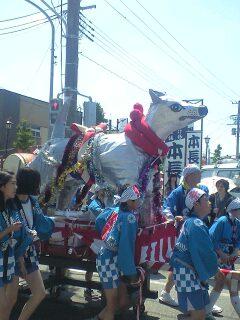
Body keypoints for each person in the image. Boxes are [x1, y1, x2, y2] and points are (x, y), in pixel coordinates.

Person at [160, 164, 209, 307]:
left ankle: (200, 299)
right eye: (197, 174)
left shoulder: (201, 190)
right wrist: (172, 218)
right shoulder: (177, 192)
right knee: (184, 264)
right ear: (188, 176)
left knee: (186, 265)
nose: (200, 177)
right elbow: (166, 207)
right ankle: (200, 302)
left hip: (195, 232)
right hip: (182, 234)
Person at [170, 188, 221, 320]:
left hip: (185, 271)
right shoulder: (196, 224)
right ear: (196, 204)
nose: (210, 202)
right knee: (198, 315)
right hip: (187, 272)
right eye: (206, 199)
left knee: (196, 313)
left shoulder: (191, 222)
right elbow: (205, 252)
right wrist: (215, 270)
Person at [93, 185, 140, 320]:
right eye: (137, 199)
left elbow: (99, 220)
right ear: (129, 201)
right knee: (112, 305)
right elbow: (126, 247)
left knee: (122, 302)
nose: (139, 202)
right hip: (110, 261)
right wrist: (131, 273)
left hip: (107, 258)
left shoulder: (114, 210)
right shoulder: (129, 218)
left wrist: (107, 236)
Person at [13, 168, 54, 320]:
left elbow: (41, 223)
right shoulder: (10, 202)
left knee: (39, 293)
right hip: (12, 252)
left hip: (28, 250)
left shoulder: (32, 201)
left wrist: (54, 221)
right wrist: (19, 258)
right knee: (9, 299)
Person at [0, 171, 32, 320]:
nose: (16, 187)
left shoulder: (10, 207)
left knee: (9, 301)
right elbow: (8, 232)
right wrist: (10, 229)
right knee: (3, 304)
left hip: (8, 260)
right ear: (2, 186)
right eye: (12, 183)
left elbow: (15, 237)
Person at [206, 198, 240, 317]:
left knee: (225, 284)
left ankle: (206, 311)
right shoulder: (222, 220)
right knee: (226, 284)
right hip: (218, 257)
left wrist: (235, 250)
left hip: (228, 258)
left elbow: (238, 241)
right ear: (233, 210)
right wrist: (221, 253)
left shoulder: (237, 223)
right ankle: (206, 311)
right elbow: (212, 238)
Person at [84, 184, 107, 301]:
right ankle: (88, 289)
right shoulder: (94, 203)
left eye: (105, 191)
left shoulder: (104, 202)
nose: (104, 193)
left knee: (102, 265)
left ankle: (103, 290)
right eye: (102, 191)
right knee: (91, 263)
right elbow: (100, 212)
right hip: (93, 238)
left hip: (101, 238)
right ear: (97, 192)